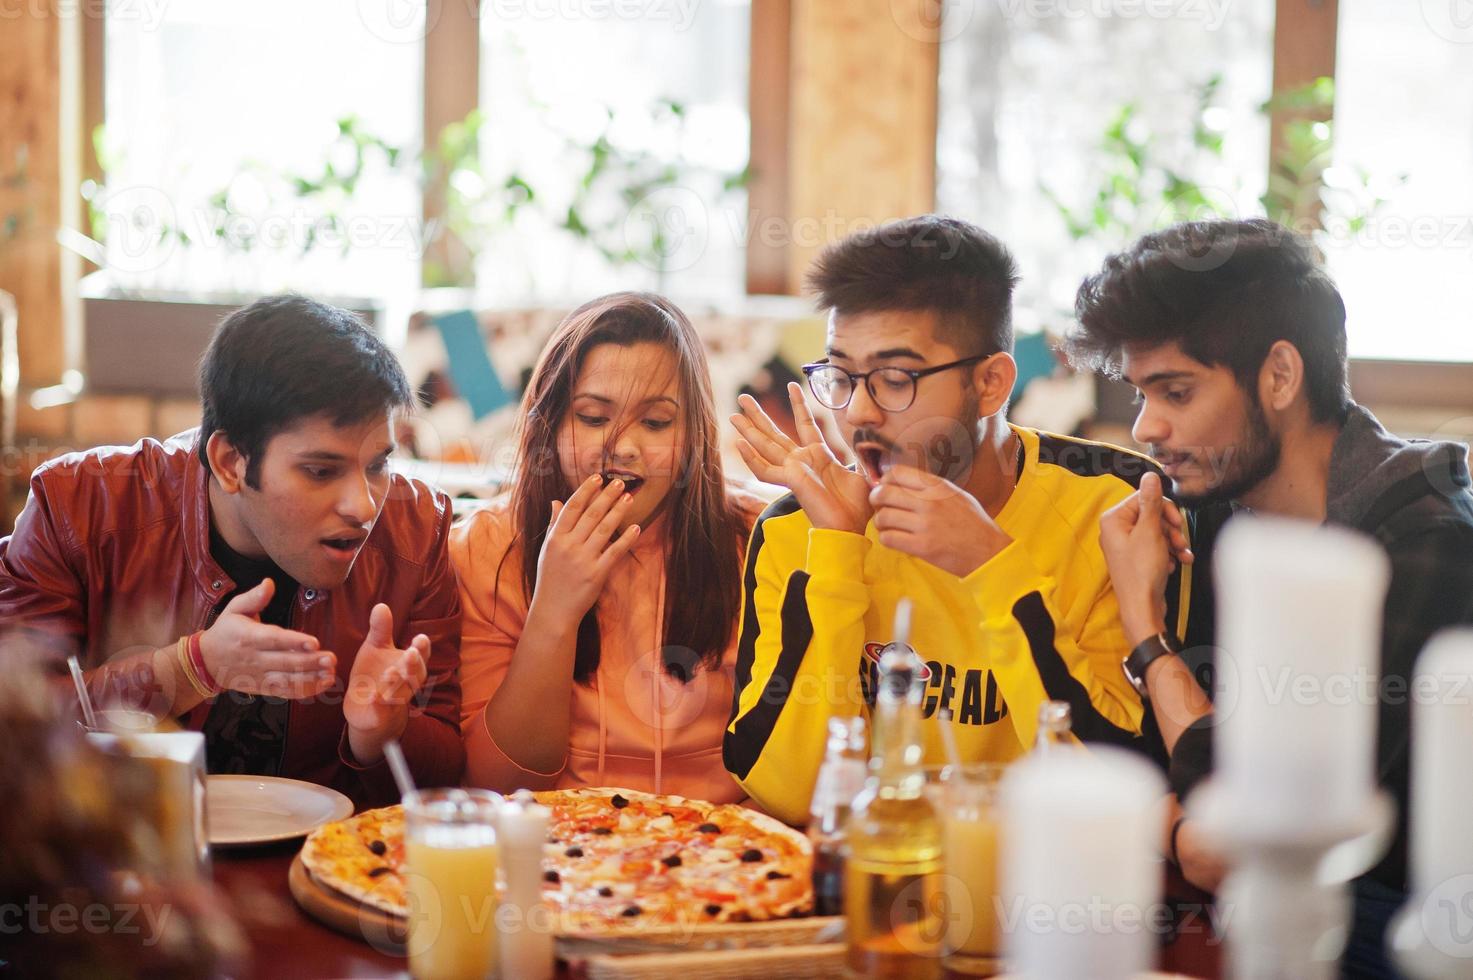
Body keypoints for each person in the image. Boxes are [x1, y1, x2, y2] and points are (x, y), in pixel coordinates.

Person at [1067, 217, 1473, 979]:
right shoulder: (1216, 508)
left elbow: (1256, 818)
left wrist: (1146, 632)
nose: (1145, 426)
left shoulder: (1427, 544)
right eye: (1139, 393)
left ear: (1279, 377)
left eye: (1175, 391)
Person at [724, 215, 1189, 825]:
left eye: (895, 378)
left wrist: (993, 568)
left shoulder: (1114, 508)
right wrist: (837, 550)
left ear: (991, 382)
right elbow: (787, 794)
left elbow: (1113, 791)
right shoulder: (800, 526)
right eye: (840, 376)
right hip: (869, 879)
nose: (859, 412)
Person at [0, 295, 464, 806]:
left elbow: (449, 780)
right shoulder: (80, 507)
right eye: (320, 471)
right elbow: (17, 736)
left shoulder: (418, 531)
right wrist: (187, 669)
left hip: (321, 867)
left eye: (377, 465)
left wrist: (382, 732)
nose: (364, 505)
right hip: (119, 866)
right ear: (229, 462)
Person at [452, 292, 765, 801]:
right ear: (548, 427)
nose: (622, 446)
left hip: (719, 854)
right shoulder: (484, 547)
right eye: (593, 418)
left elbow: (788, 773)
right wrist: (554, 612)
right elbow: (503, 784)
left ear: (694, 436)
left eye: (657, 423)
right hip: (562, 851)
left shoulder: (757, 540)